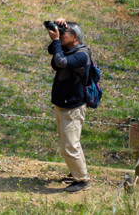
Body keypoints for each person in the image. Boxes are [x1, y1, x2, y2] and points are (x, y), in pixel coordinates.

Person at [47, 18, 91, 193]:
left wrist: (57, 41)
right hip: (63, 104)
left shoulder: (82, 54)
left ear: (75, 36)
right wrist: (56, 33)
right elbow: (52, 50)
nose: (61, 36)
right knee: (67, 143)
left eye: (64, 33)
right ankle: (75, 173)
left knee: (70, 144)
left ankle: (82, 179)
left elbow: (60, 62)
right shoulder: (68, 48)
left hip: (73, 108)